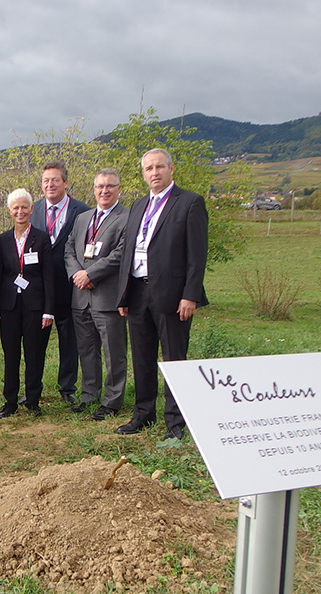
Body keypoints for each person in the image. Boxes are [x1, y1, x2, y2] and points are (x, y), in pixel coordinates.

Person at [115, 148, 208, 439]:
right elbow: (129, 251)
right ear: (143, 174)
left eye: (159, 167)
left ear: (171, 168)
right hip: (138, 291)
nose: (154, 173)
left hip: (172, 295)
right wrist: (124, 295)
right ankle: (143, 414)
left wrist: (190, 295)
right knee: (142, 357)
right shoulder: (138, 205)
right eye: (148, 169)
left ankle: (175, 423)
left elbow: (197, 254)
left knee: (173, 360)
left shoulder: (190, 203)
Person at [64, 169, 129, 421]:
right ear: (93, 189)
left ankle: (112, 402)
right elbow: (69, 249)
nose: (104, 190)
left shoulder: (127, 218)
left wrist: (91, 274)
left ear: (118, 189)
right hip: (80, 296)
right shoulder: (83, 218)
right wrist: (77, 274)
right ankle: (89, 395)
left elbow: (122, 253)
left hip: (107, 297)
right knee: (87, 349)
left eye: (110, 186)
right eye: (100, 186)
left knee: (114, 352)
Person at [29, 160, 91, 405]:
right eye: (46, 181)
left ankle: (67, 388)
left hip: (69, 287)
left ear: (65, 182)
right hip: (39, 289)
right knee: (36, 343)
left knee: (70, 340)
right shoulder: (32, 210)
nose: (50, 184)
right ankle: (33, 389)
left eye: (55, 179)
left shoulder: (83, 211)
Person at [0, 188, 54, 418]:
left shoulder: (42, 238)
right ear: (9, 211)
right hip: (9, 307)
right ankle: (10, 402)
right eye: (15, 208)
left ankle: (33, 401)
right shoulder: (3, 239)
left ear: (31, 209)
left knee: (34, 354)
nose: (20, 211)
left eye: (24, 207)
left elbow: (49, 276)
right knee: (11, 355)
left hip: (35, 307)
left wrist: (49, 311)